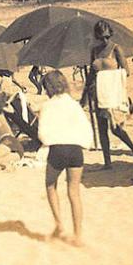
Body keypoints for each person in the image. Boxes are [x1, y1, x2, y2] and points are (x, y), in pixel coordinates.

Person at [37, 70, 91, 247]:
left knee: (50, 184)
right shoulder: (74, 104)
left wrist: (49, 141)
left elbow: (42, 133)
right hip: (76, 150)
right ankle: (78, 235)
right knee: (74, 192)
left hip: (58, 149)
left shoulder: (47, 105)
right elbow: (85, 128)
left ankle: (59, 225)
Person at [86, 20, 133, 169]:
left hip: (112, 94)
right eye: (101, 37)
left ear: (110, 34)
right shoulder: (94, 51)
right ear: (97, 36)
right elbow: (91, 74)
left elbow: (126, 71)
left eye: (107, 36)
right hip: (98, 93)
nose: (104, 40)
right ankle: (107, 162)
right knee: (102, 128)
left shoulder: (116, 49)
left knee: (115, 128)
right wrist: (85, 95)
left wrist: (107, 77)